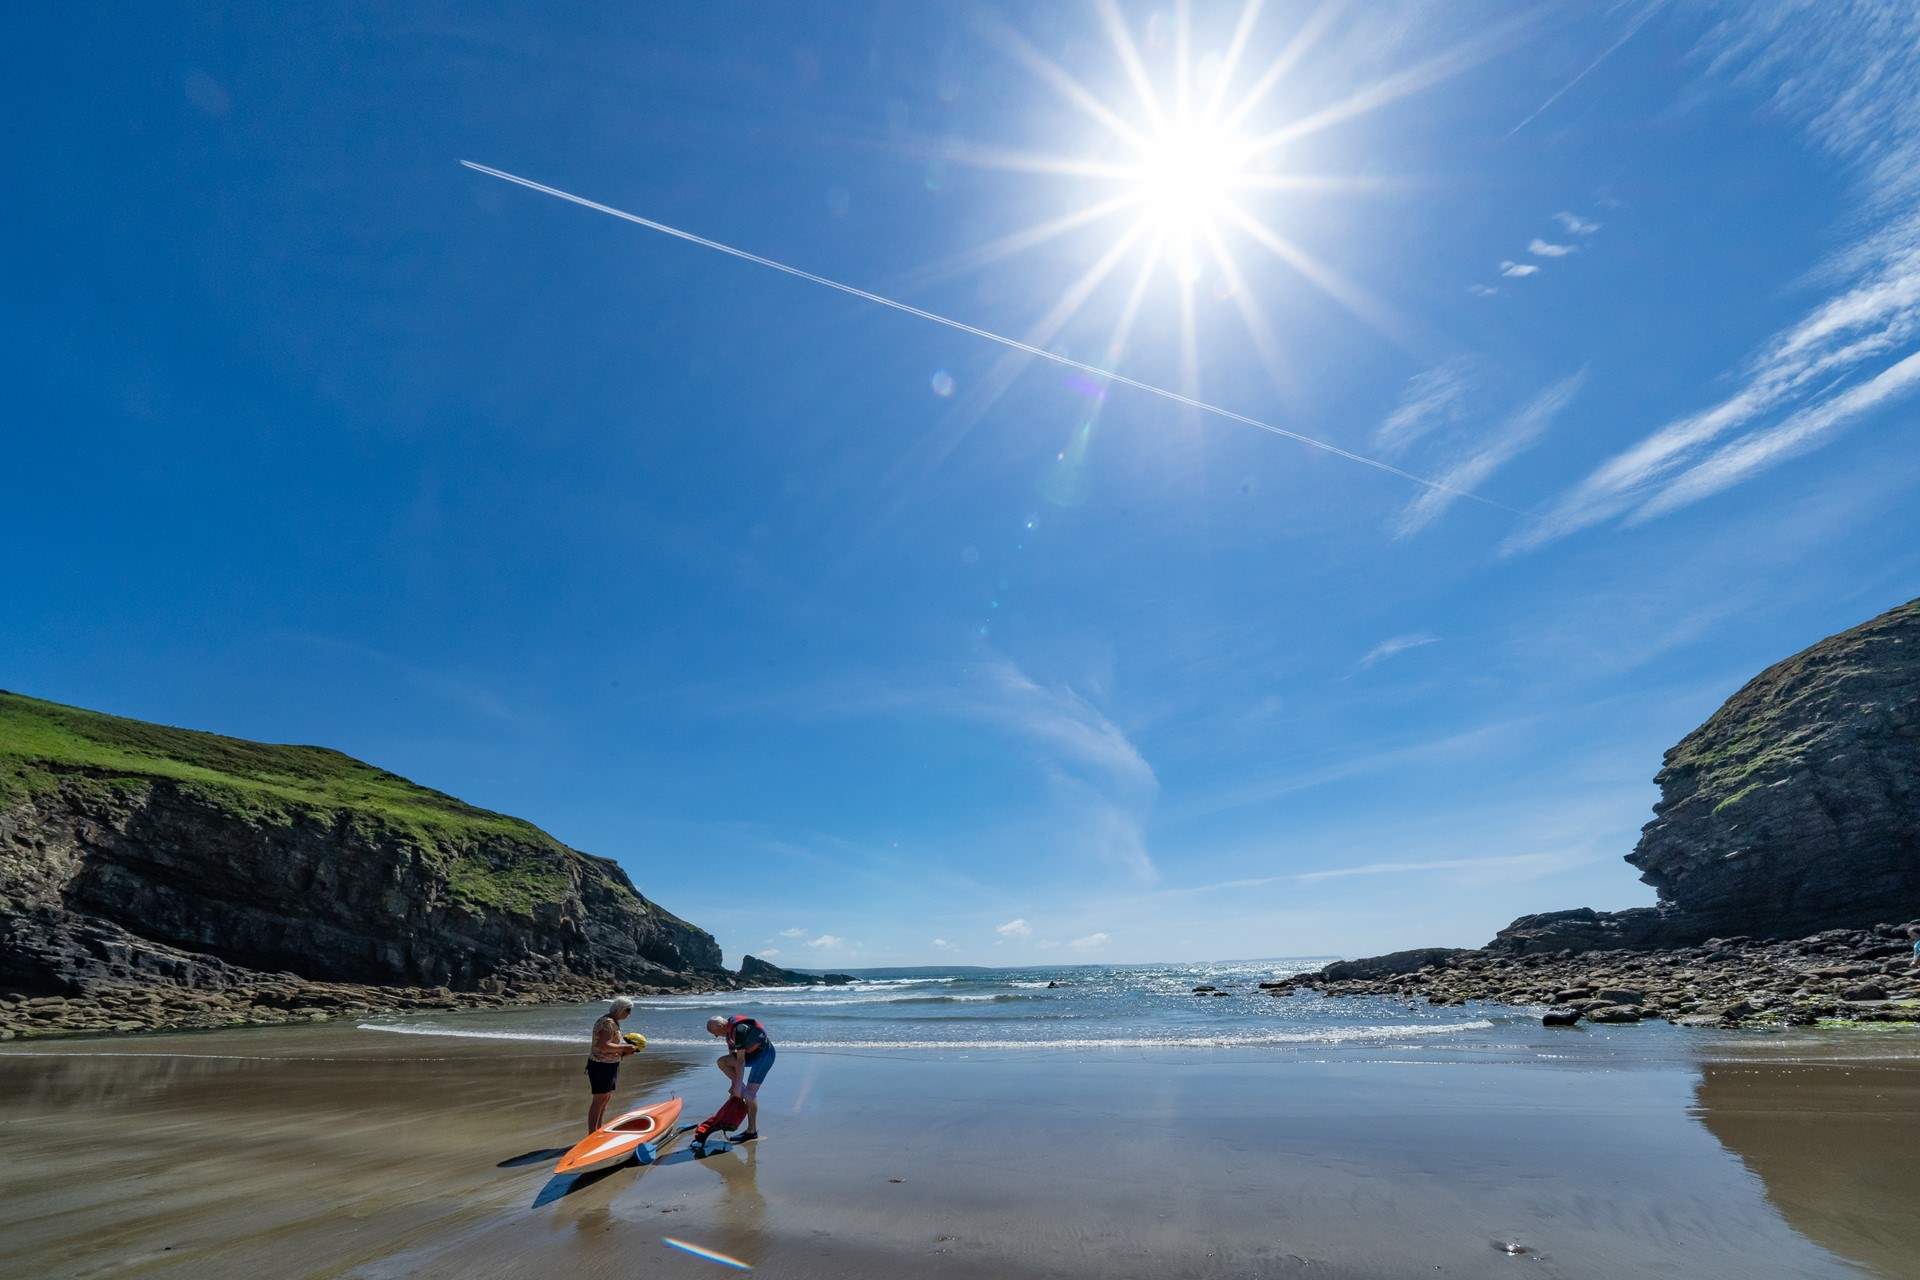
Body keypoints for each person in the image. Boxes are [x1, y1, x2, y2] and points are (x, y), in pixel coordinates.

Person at [704, 1013, 774, 1144]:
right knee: (722, 1061)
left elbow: (740, 1061)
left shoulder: (739, 1029)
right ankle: (740, 1089)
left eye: (715, 1033)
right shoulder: (728, 1035)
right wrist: (734, 1083)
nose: (715, 1036)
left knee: (749, 1094)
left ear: (720, 1026)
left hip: (764, 1056)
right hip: (751, 1055)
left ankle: (751, 1131)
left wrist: (737, 1086)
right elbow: (733, 1060)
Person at [585, 997, 639, 1133]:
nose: (629, 1014)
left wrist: (623, 1051)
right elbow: (603, 1045)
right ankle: (592, 1132)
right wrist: (624, 1047)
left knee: (605, 1097)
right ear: (620, 1009)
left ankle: (598, 1129)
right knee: (599, 1099)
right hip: (601, 1065)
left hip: (608, 1064)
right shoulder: (607, 1023)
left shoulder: (613, 1022)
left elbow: (609, 1045)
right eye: (628, 1010)